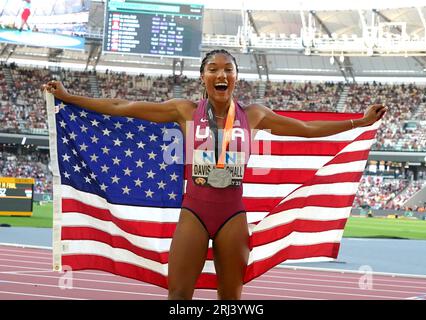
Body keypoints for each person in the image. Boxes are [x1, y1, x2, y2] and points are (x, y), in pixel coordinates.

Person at [43, 49, 387, 300]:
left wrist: (361, 121)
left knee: (231, 301)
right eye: (212, 69)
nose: (220, 75)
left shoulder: (254, 115)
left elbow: (307, 131)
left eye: (227, 69)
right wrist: (68, 96)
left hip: (233, 215)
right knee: (178, 295)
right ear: (203, 77)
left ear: (235, 77)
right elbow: (123, 108)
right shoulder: (185, 111)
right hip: (194, 211)